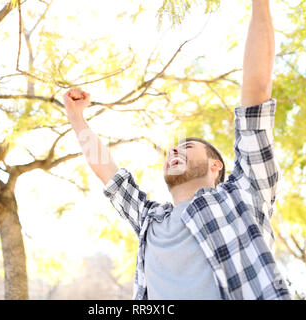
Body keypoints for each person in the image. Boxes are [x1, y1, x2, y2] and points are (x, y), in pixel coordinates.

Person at [63, 0, 291, 300]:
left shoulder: (243, 194)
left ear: (215, 166)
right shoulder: (149, 221)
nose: (174, 150)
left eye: (188, 146)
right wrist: (76, 118)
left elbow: (256, 90)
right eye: (173, 148)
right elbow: (108, 172)